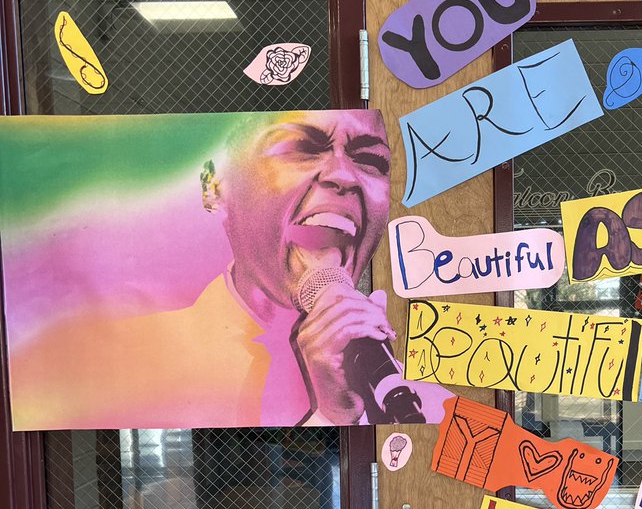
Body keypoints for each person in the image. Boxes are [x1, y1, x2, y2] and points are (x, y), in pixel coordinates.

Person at [9, 110, 446, 430]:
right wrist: (330, 415)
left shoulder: (414, 382)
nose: (342, 175)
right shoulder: (126, 363)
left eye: (370, 160)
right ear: (214, 186)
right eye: (299, 148)